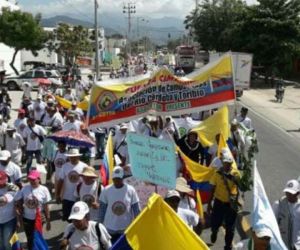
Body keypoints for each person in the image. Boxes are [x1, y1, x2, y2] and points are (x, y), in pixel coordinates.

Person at [207, 154, 241, 250]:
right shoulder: (217, 174)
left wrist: (236, 180)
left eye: (229, 163)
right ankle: (214, 231)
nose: (227, 165)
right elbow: (212, 189)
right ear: (223, 163)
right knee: (214, 223)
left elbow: (242, 188)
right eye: (226, 163)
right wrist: (209, 204)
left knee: (230, 228)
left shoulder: (236, 174)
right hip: (218, 203)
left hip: (231, 204)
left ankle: (228, 246)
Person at [99, 166, 140, 244]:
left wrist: (138, 224)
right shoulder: (106, 190)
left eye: (119, 179)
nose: (117, 181)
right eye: (115, 179)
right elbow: (102, 209)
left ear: (123, 178)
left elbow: (136, 209)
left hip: (126, 228)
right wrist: (99, 225)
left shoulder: (130, 190)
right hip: (110, 228)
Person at [15, 170, 51, 250]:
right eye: (30, 179)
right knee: (30, 237)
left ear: (39, 179)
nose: (32, 181)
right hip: (27, 218)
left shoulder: (44, 189)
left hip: (39, 218)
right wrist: (18, 217)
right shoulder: (24, 189)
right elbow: (19, 203)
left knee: (37, 237)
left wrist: (48, 221)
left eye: (34, 179)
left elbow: (46, 206)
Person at [56, 148, 88, 221]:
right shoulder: (65, 166)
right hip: (67, 197)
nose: (72, 158)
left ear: (78, 157)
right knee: (68, 218)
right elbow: (60, 181)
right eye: (71, 157)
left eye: (74, 157)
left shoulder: (84, 166)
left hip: (80, 197)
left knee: (79, 217)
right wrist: (58, 195)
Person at [272, 179, 300, 249]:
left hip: (297, 246)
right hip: (282, 245)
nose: (288, 195)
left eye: (291, 193)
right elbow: (271, 222)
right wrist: (276, 228)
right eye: (287, 192)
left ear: (297, 193)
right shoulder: (278, 204)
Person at [0, 170, 19, 250]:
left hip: (9, 220)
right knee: (1, 244)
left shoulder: (13, 188)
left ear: (6, 179)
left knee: (7, 244)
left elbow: (3, 200)